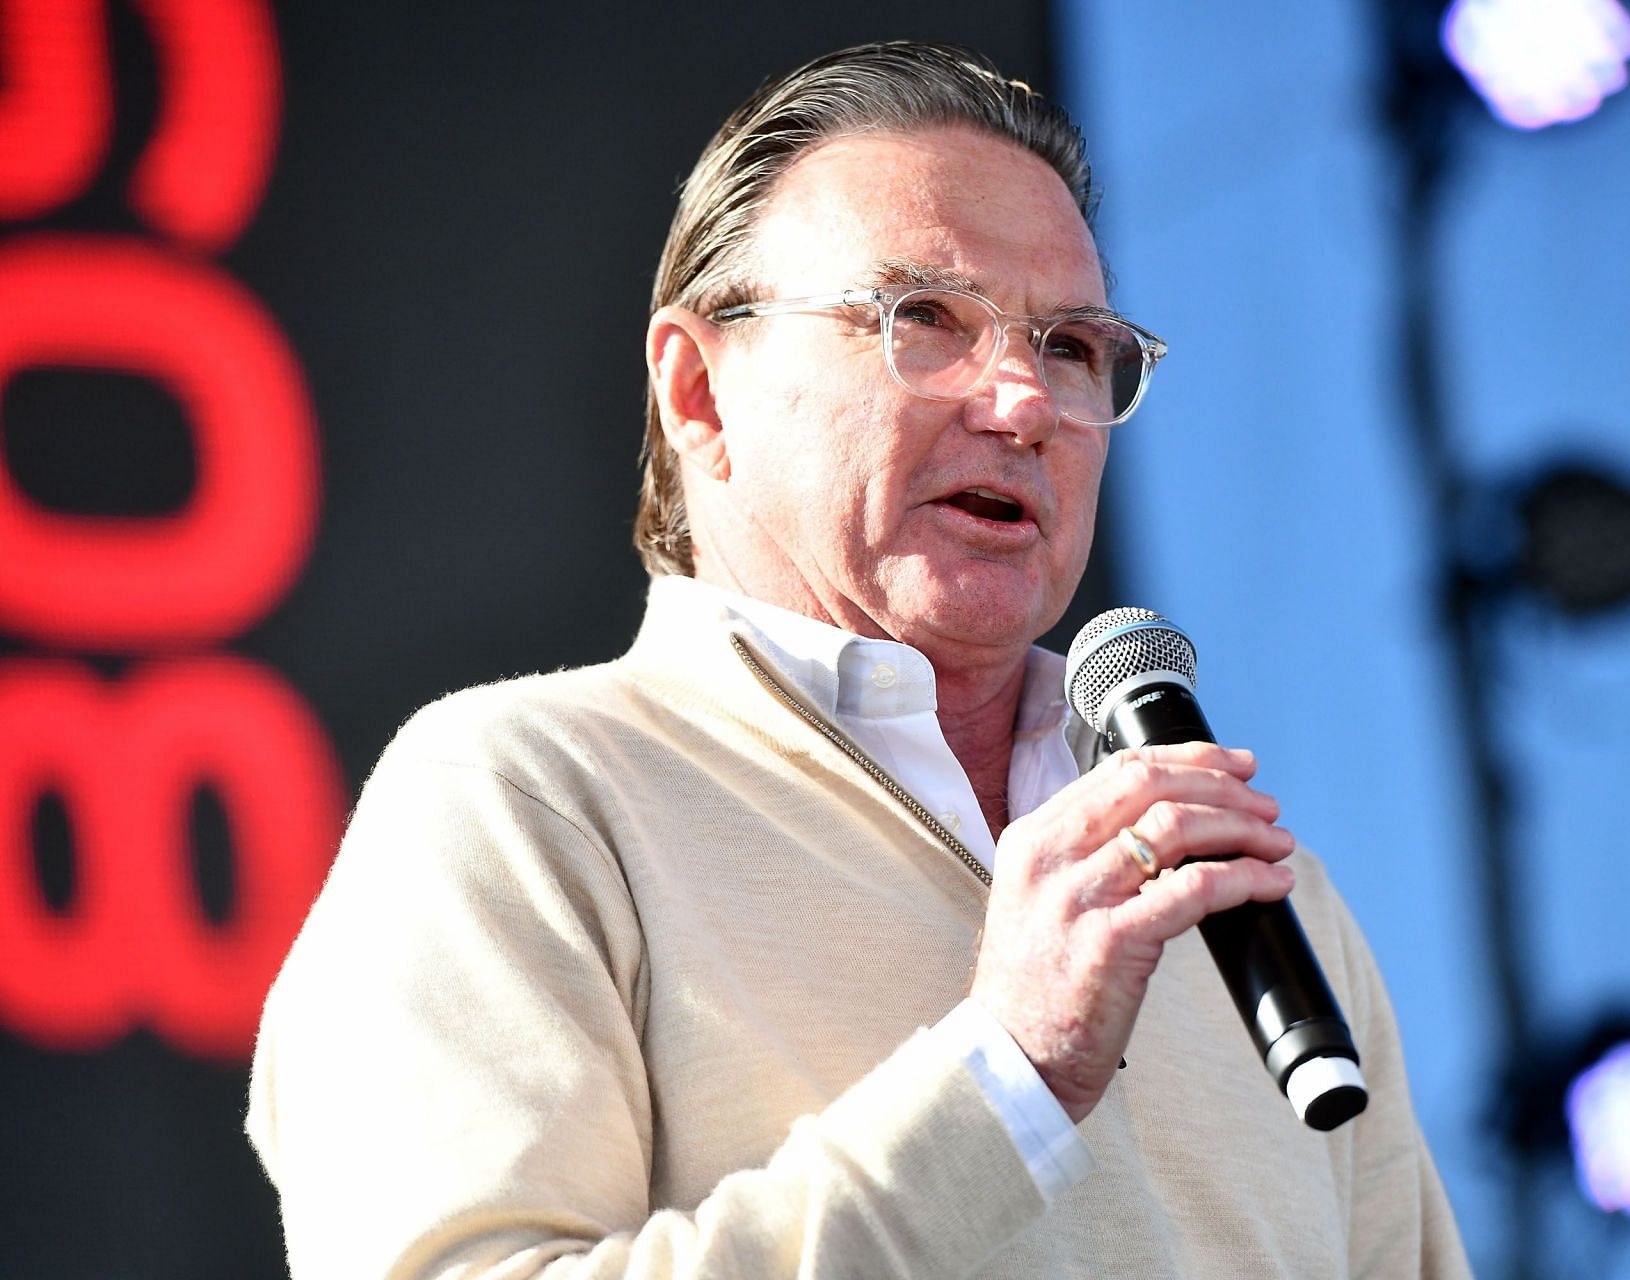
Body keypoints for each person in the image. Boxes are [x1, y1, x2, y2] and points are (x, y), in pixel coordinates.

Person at [247, 41, 1470, 1278]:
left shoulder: (1260, 892)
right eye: (926, 319)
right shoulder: (525, 795)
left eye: (1069, 346)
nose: (1024, 403)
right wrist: (1005, 1078)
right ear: (699, 394)